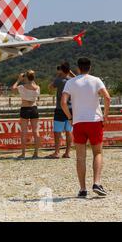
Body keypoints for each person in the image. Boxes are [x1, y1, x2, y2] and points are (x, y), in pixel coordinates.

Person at [61, 58, 111, 198]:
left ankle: (82, 189)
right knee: (97, 153)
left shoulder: (71, 82)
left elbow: (63, 102)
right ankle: (96, 183)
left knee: (80, 157)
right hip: (94, 121)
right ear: (90, 67)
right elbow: (107, 98)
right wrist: (105, 116)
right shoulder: (96, 80)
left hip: (78, 122)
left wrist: (70, 117)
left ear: (78, 68)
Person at [47, 62, 75, 159]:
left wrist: (58, 75)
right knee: (69, 131)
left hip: (60, 108)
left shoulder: (59, 80)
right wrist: (70, 73)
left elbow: (49, 87)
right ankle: (67, 152)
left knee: (57, 132)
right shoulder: (72, 80)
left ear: (61, 70)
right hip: (71, 108)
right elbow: (78, 79)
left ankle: (57, 152)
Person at [12, 70, 41, 159]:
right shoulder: (37, 87)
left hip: (25, 108)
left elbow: (13, 89)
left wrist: (18, 79)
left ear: (26, 77)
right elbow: (33, 85)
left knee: (24, 132)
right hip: (34, 108)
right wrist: (31, 79)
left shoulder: (22, 87)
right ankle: (36, 153)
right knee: (36, 131)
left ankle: (23, 153)